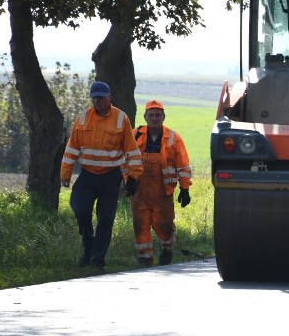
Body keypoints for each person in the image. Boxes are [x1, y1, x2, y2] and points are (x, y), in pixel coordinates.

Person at [61, 81, 143, 271]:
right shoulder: (82, 119)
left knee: (105, 219)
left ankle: (97, 259)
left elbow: (132, 150)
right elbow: (72, 148)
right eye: (94, 97)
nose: (97, 100)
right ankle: (88, 246)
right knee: (80, 210)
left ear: (109, 98)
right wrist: (65, 172)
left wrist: (133, 177)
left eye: (101, 97)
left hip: (111, 176)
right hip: (87, 175)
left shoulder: (121, 119)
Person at [128, 100, 192, 267]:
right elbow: (125, 159)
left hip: (163, 191)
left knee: (165, 224)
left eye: (158, 115)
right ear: (145, 117)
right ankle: (144, 260)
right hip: (139, 191)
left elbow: (183, 164)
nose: (154, 118)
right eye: (151, 115)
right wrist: (129, 180)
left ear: (163, 117)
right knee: (140, 224)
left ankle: (167, 249)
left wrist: (185, 188)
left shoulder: (173, 137)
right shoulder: (134, 135)